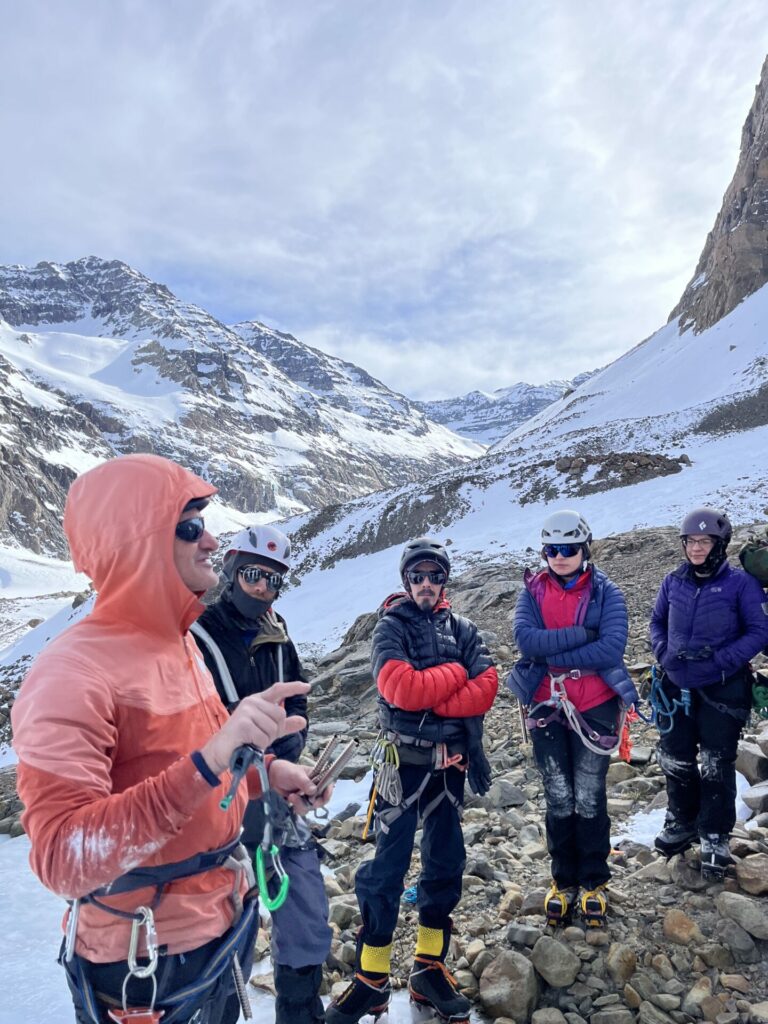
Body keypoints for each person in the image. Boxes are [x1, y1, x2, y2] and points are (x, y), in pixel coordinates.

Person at [11, 454, 324, 1024]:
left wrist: (267, 776)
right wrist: (210, 761)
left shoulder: (177, 645)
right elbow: (63, 857)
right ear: (137, 543)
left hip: (215, 937)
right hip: (143, 969)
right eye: (188, 527)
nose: (210, 541)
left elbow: (199, 768)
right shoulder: (71, 672)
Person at [327, 537, 498, 1024]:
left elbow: (486, 688)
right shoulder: (391, 626)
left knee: (445, 864)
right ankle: (371, 977)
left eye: (435, 576)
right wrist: (455, 675)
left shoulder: (463, 627)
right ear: (406, 581)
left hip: (448, 766)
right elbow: (399, 689)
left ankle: (428, 967)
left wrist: (431, 693)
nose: (427, 584)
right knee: (386, 870)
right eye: (418, 576)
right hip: (402, 765)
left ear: (445, 581)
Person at [192, 524, 331, 1024]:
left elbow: (297, 703)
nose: (263, 588)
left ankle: (300, 1012)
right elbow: (194, 724)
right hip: (217, 799)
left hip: (273, 793)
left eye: (273, 581)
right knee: (222, 929)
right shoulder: (197, 634)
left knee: (307, 911)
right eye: (253, 575)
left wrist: (288, 756)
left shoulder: (277, 631)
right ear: (231, 571)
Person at [508, 510, 637, 928]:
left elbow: (611, 649)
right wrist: (583, 636)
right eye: (552, 550)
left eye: (568, 549)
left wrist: (549, 656)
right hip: (549, 705)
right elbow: (525, 640)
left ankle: (593, 880)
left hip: (593, 704)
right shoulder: (532, 591)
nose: (560, 557)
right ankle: (563, 880)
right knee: (559, 794)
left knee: (587, 794)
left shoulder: (606, 592)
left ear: (585, 550)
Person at [650, 506, 768, 876]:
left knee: (717, 763)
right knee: (676, 758)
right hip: (675, 684)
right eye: (691, 541)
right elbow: (657, 622)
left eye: (704, 541)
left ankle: (715, 834)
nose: (696, 548)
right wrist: (663, 652)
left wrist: (722, 660)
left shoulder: (741, 585)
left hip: (723, 688)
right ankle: (681, 821)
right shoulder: (673, 582)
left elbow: (759, 631)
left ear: (720, 544)